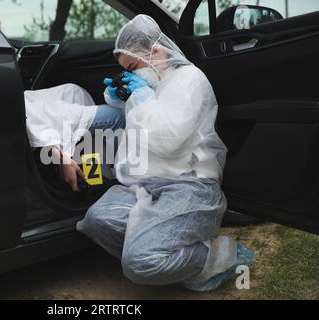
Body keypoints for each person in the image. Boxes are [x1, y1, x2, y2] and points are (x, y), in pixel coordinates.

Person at [76, 14, 253, 291]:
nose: (132, 76)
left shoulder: (189, 80)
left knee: (140, 262)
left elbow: (167, 138)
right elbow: (134, 112)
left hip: (189, 185)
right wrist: (117, 94)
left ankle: (217, 256)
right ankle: (167, 250)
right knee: (96, 221)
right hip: (146, 184)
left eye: (133, 67)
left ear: (156, 51)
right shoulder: (153, 82)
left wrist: (141, 96)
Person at [25, 83, 125, 192]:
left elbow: (39, 128)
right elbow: (39, 130)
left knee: (97, 131)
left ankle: (104, 180)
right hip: (58, 116)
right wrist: (63, 158)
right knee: (115, 118)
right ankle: (110, 180)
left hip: (71, 99)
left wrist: (63, 158)